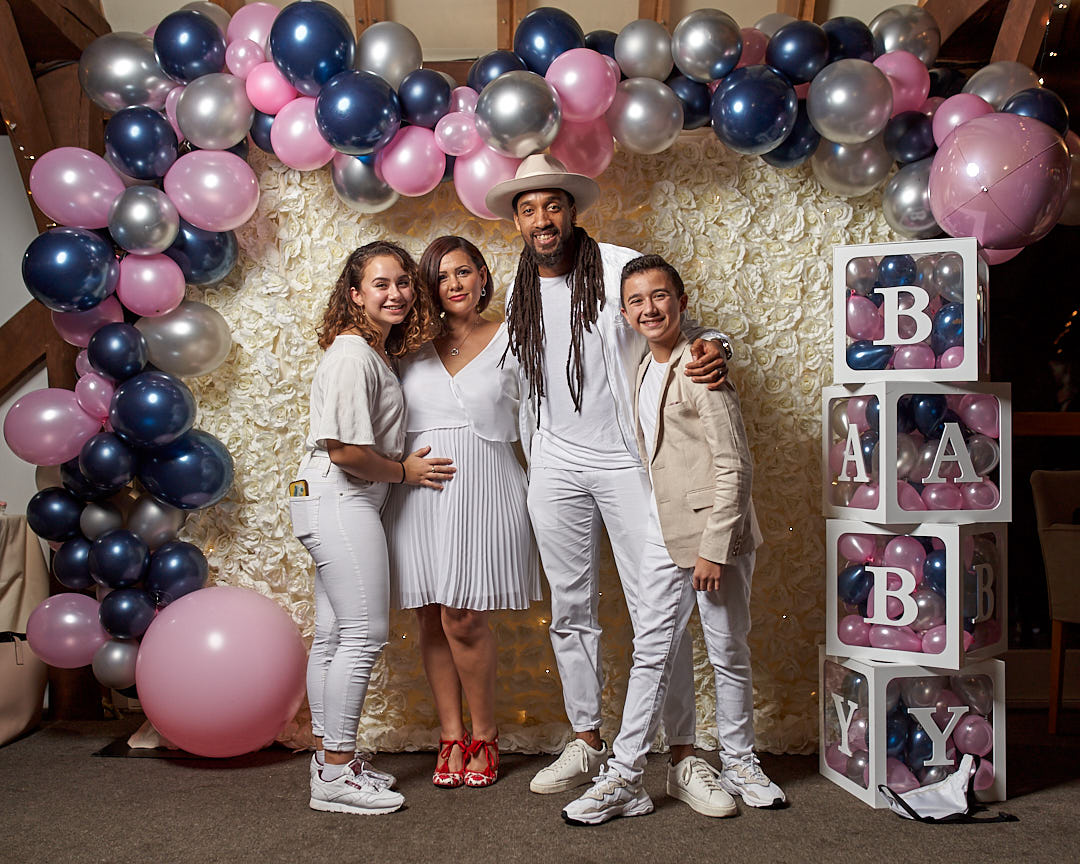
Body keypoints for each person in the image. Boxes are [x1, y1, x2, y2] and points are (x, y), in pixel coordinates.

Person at [483, 155, 732, 811]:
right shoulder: (517, 290)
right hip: (555, 466)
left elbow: (677, 325)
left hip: (628, 463)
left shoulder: (621, 265)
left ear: (572, 210)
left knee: (659, 609)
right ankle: (587, 739)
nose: (542, 218)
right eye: (529, 208)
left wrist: (717, 346)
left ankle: (683, 756)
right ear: (518, 221)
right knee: (570, 612)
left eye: (552, 205)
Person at [562, 255, 782, 826]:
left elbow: (735, 465)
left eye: (659, 296)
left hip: (719, 537)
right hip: (664, 534)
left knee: (728, 648)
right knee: (651, 653)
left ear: (681, 303)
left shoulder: (702, 369)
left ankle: (740, 761)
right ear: (626, 312)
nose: (648, 308)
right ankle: (626, 776)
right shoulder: (639, 366)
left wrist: (713, 547)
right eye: (636, 300)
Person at [289, 240, 453, 815]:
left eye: (404, 282)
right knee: (362, 636)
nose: (397, 293)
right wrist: (405, 471)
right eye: (381, 284)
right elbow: (346, 452)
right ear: (354, 295)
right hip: (341, 495)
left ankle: (332, 759)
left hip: (331, 498)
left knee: (335, 636)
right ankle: (335, 772)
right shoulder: (353, 355)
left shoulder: (373, 353)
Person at [383, 236, 541, 789]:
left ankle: (486, 734)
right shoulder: (404, 344)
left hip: (488, 481)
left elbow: (539, 417)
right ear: (428, 287)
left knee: (465, 615)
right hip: (418, 488)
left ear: (481, 276)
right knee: (429, 612)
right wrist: (398, 468)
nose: (454, 284)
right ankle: (450, 735)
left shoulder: (515, 337)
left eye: (463, 272)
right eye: (441, 276)